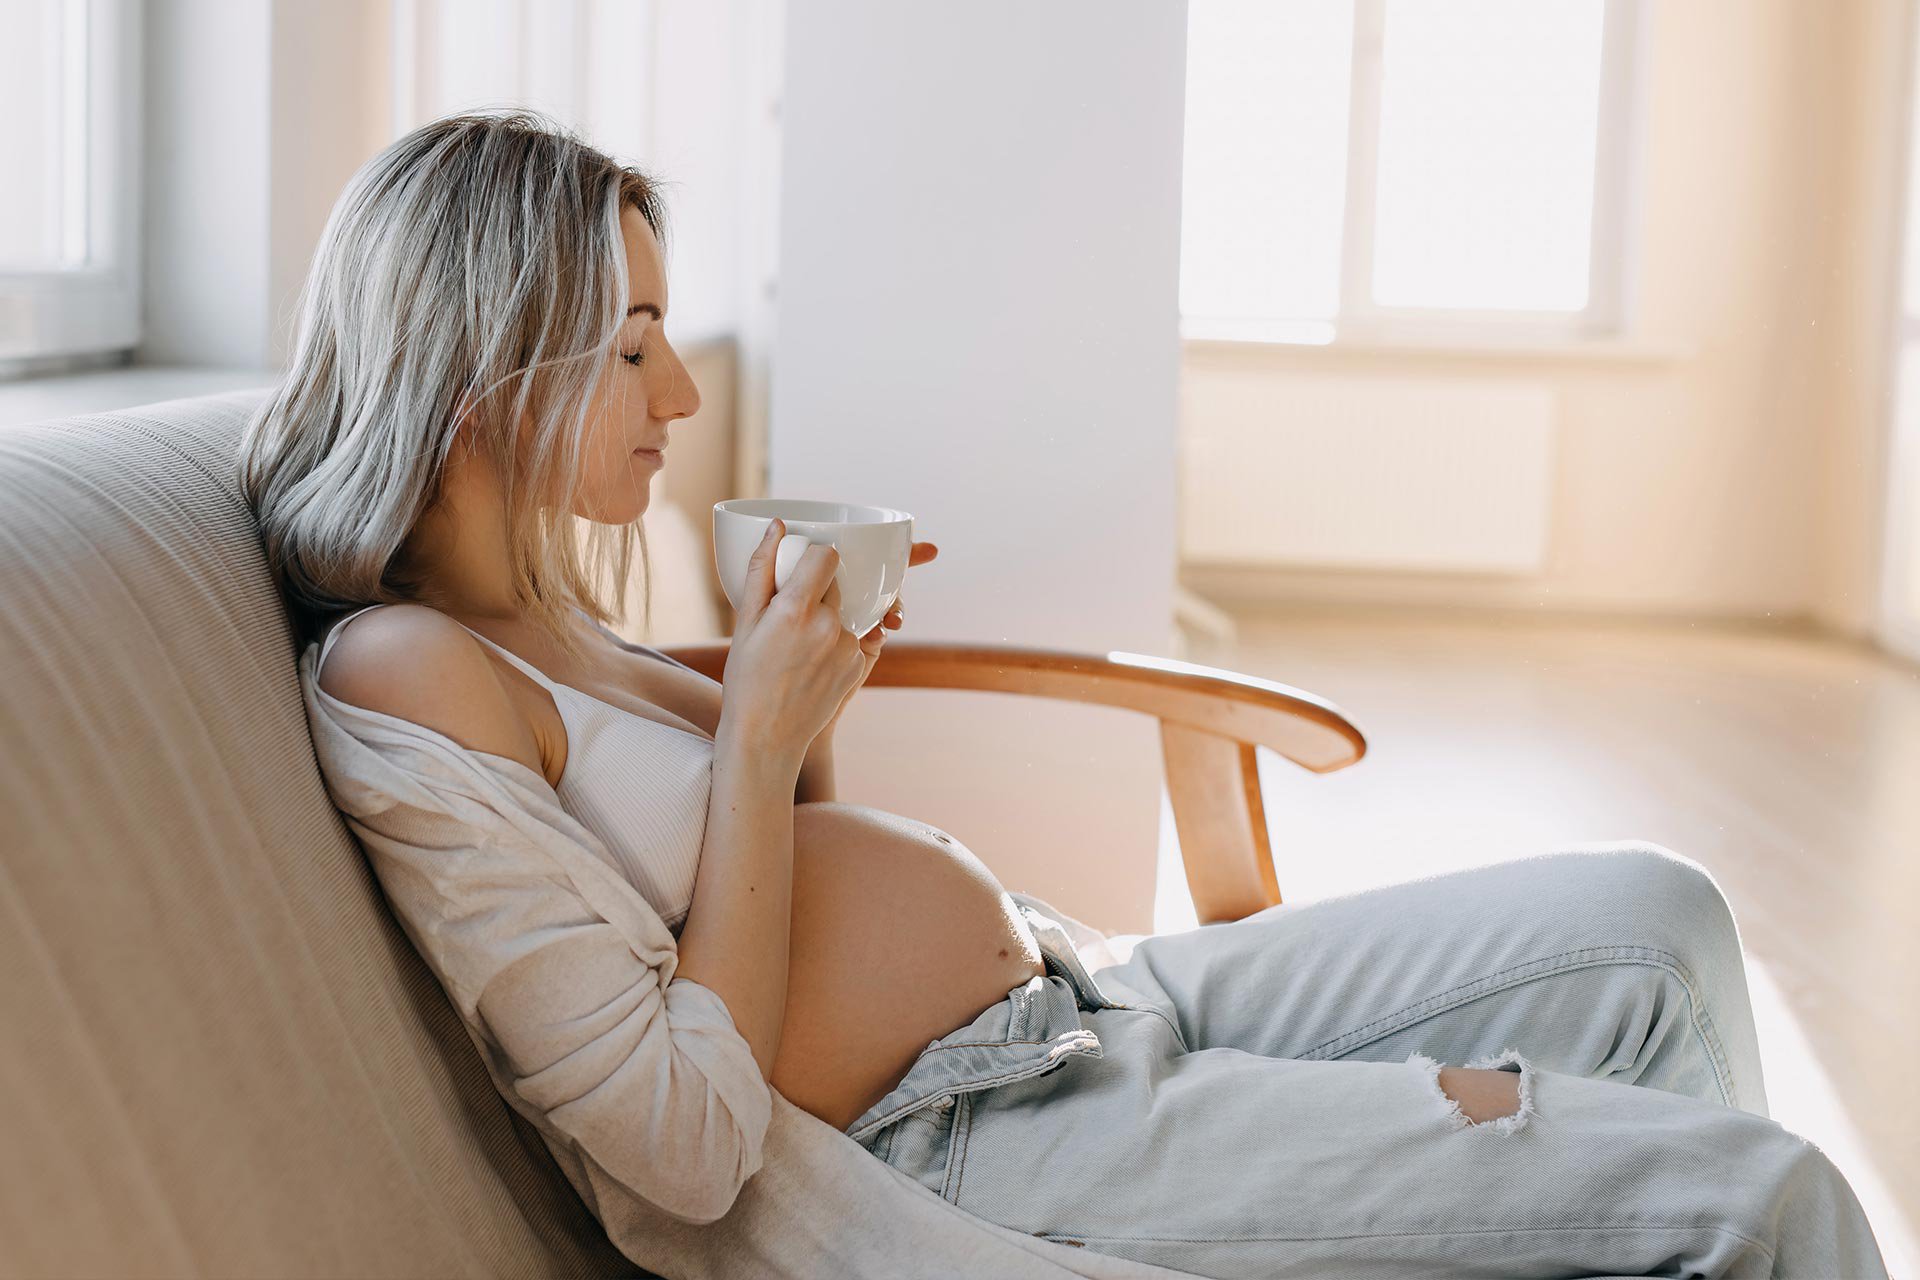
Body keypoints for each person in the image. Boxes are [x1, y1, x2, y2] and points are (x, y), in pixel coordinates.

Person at [241, 109, 1889, 1278]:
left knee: (1656, 926)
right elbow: (678, 1146)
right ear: (481, 375)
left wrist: (796, 704)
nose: (677, 390)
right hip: (968, 1137)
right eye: (632, 343)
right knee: (1767, 1203)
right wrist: (753, 739)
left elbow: (769, 873)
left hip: (1079, 1002)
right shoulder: (408, 672)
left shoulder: (539, 607)